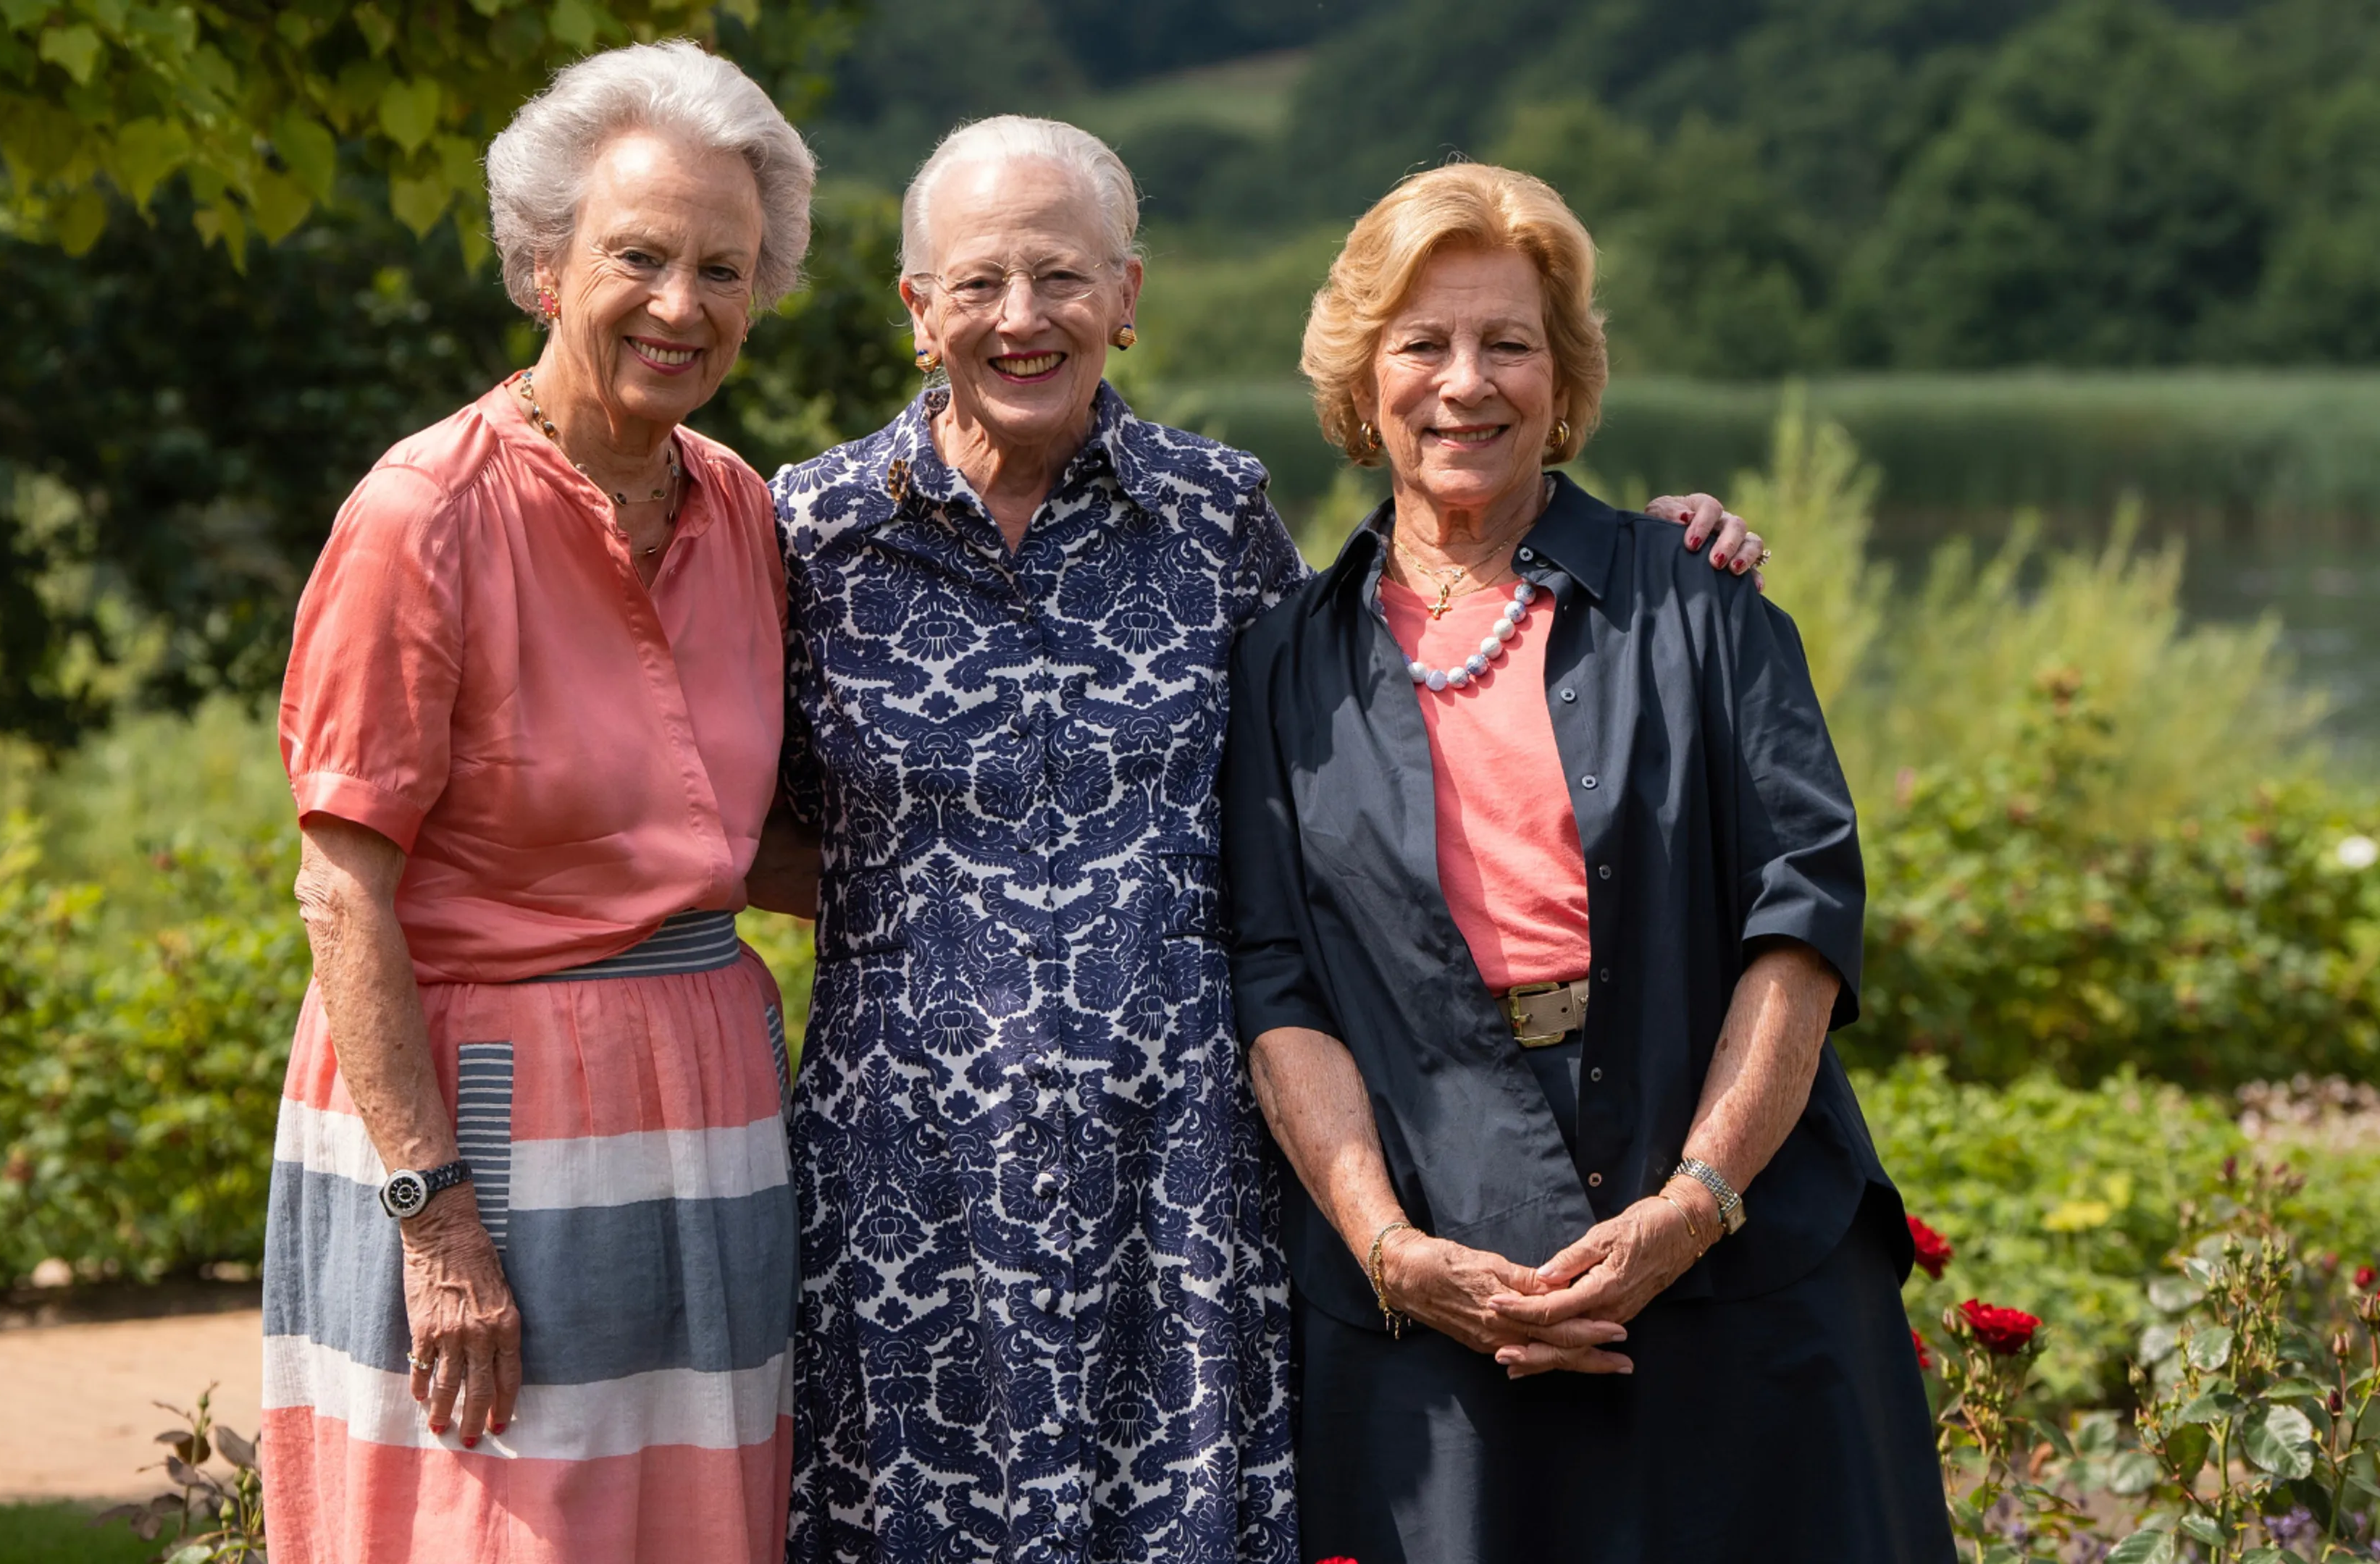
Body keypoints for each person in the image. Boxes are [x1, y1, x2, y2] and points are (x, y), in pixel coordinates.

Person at [753, 119, 1768, 1564]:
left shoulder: (1214, 513)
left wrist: (1650, 554)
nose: (1023, 316)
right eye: (978, 282)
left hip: (1189, 1183)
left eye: (1063, 276)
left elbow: (1373, 736)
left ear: (1127, 296)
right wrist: (920, 905)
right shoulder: (805, 531)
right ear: (919, 310)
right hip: (905, 1180)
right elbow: (716, 819)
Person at [1220, 160, 1951, 1564]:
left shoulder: (1701, 600)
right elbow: (1277, 983)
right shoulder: (1279, 664)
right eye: (1422, 345)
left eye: (1509, 343)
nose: (1466, 384)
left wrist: (1694, 1206)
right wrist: (1389, 1252)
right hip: (1435, 1294)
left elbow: (1802, 919)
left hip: (1738, 1245)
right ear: (1361, 380)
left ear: (1562, 379)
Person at [259, 42, 817, 1564]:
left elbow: (724, 840)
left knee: (702, 1523)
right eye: (639, 256)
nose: (681, 304)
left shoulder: (742, 508)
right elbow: (343, 889)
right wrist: (435, 1221)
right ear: (542, 266)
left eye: (724, 268)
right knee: (493, 1527)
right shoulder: (422, 512)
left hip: (705, 1106)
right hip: (482, 1124)